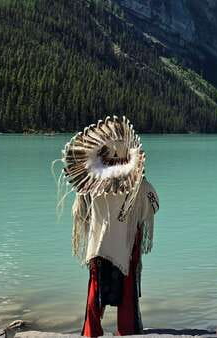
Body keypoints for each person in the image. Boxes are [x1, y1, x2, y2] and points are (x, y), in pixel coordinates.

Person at [58, 116, 159, 337]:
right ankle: (127, 330)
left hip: (98, 243)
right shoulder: (139, 185)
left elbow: (79, 212)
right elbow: (153, 206)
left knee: (96, 287)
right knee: (127, 288)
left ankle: (91, 331)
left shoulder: (89, 185)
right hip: (126, 244)